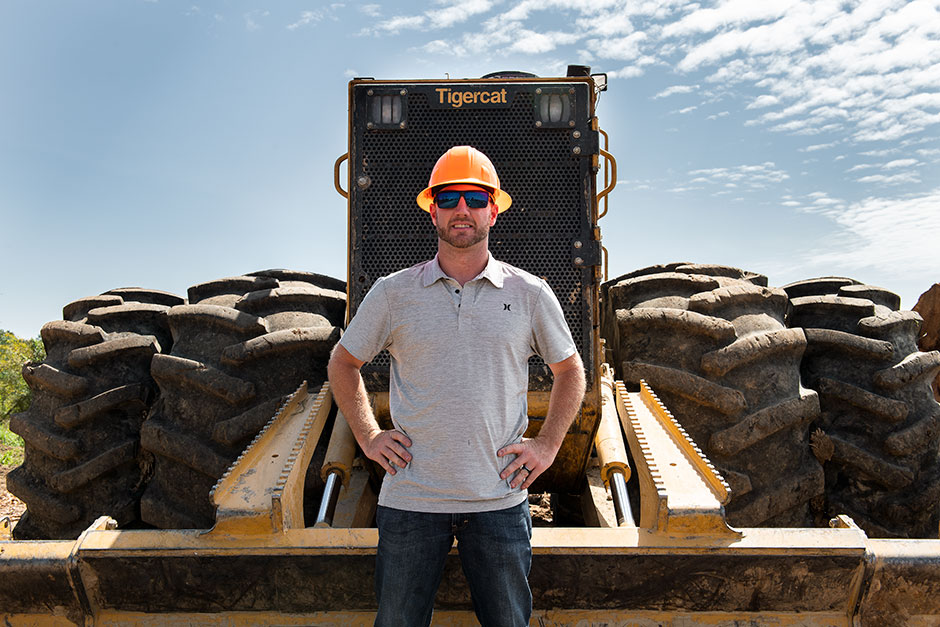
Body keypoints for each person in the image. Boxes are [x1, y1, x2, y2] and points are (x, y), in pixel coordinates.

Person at [327, 145, 586, 627]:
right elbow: (343, 363)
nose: (461, 209)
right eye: (448, 198)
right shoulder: (392, 292)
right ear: (432, 211)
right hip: (411, 501)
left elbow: (571, 372)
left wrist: (548, 446)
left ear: (493, 210)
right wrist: (367, 436)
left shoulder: (530, 294)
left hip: (499, 502)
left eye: (473, 197)